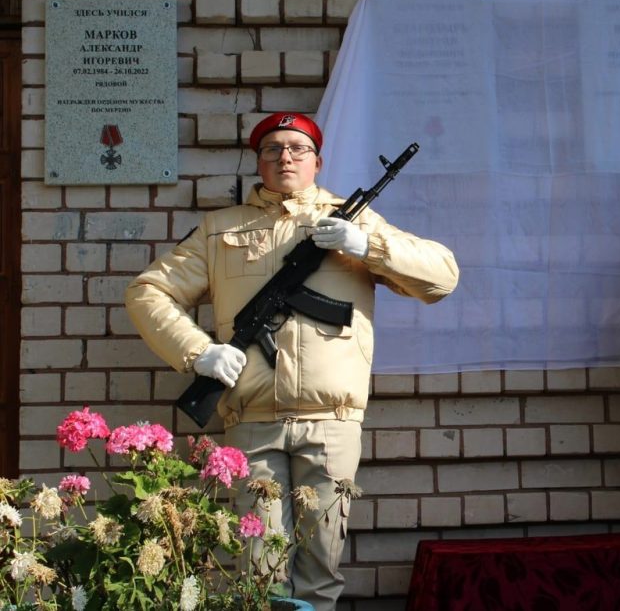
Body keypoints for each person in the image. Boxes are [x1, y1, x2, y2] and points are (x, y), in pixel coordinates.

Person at [125, 112, 460, 607]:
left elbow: (442, 277)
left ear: (317, 162)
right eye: (273, 149)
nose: (285, 157)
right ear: (258, 161)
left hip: (331, 422)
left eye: (298, 148)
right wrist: (198, 352)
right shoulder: (221, 229)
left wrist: (367, 245)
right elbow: (148, 292)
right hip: (252, 422)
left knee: (320, 568)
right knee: (260, 569)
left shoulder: (351, 219)